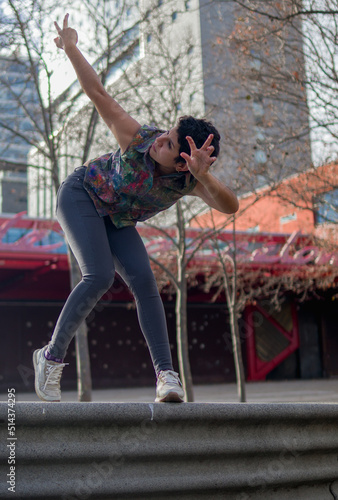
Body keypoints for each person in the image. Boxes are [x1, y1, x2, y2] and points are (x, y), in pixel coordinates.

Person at [33, 14, 239, 403]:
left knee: (145, 283)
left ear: (183, 164)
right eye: (168, 134)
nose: (160, 139)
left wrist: (205, 178)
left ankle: (166, 376)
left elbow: (231, 206)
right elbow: (98, 93)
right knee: (98, 277)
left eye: (168, 144)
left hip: (117, 219)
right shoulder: (135, 137)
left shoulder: (188, 181)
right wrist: (71, 47)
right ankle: (50, 358)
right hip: (80, 195)